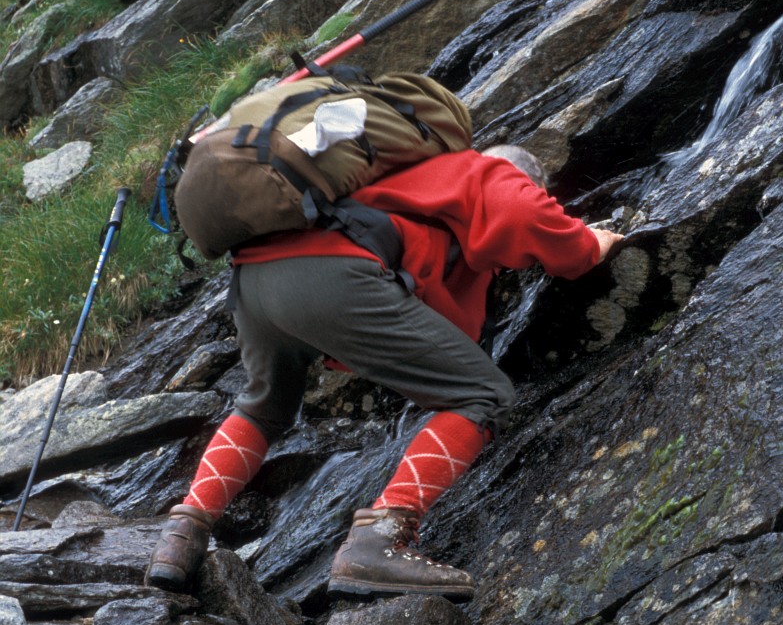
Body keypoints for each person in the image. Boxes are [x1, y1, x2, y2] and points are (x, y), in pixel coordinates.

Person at [145, 144, 623, 600]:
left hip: (255, 280)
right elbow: (520, 211)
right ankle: (380, 541)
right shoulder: (485, 170)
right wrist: (585, 245)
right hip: (330, 274)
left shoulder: (409, 182)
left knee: (263, 409)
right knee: (484, 395)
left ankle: (181, 537)